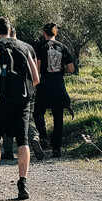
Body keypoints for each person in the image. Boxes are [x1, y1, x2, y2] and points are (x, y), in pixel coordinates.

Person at [0, 16, 39, 200]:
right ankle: (23, 183)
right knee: (23, 140)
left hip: (1, 99)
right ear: (10, 28)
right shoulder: (25, 47)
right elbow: (36, 78)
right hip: (22, 101)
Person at [33, 22, 75, 158]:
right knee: (58, 117)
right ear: (55, 33)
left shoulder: (40, 48)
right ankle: (56, 148)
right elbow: (71, 69)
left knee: (38, 113)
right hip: (58, 85)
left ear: (44, 33)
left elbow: (37, 68)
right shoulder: (63, 47)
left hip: (44, 84)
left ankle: (43, 138)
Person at [2, 27, 43, 161]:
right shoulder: (28, 47)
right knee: (27, 116)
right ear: (16, 34)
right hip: (27, 87)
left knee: (7, 117)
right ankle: (34, 137)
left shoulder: (2, 47)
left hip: (8, 89)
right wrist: (34, 86)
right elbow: (35, 69)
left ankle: (8, 150)